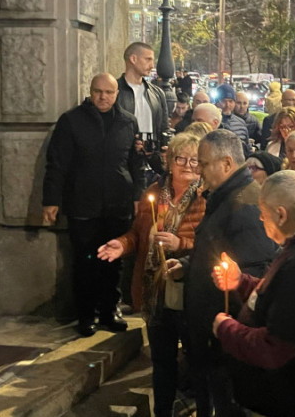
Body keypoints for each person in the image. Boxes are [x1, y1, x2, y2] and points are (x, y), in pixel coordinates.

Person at [211, 171, 295, 417]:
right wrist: (241, 282)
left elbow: (274, 348)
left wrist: (226, 328)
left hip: (291, 402)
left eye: (263, 213)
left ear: (281, 214)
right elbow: (282, 300)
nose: (261, 220)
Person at [169, 130, 278, 417]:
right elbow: (217, 251)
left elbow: (250, 273)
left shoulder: (244, 204)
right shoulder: (225, 197)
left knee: (228, 404)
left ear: (227, 163)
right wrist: (188, 266)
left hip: (224, 339)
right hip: (213, 332)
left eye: (203, 164)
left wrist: (229, 332)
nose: (198, 171)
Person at [96, 133, 206, 417]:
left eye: (194, 160)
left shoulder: (207, 198)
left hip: (187, 292)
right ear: (170, 162)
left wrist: (181, 244)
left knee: (198, 363)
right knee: (162, 362)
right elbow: (139, 234)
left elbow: (213, 245)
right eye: (180, 158)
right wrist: (121, 244)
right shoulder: (154, 193)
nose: (187, 165)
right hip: (155, 294)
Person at [44, 73, 143, 336]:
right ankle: (86, 315)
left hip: (117, 204)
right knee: (85, 262)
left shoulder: (128, 122)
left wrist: (137, 197)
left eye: (109, 92)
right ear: (90, 92)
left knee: (114, 263)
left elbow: (135, 163)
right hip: (83, 205)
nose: (103, 97)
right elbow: (57, 163)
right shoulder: (72, 121)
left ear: (116, 94)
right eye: (98, 92)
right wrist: (51, 200)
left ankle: (110, 311)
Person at [118, 42, 169, 158]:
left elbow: (164, 128)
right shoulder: (114, 91)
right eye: (148, 59)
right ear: (133, 59)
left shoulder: (157, 93)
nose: (152, 65)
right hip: (123, 159)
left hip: (152, 159)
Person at [216, 84, 252, 155]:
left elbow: (247, 148)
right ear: (217, 102)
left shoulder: (240, 123)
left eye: (231, 101)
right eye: (223, 101)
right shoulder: (211, 121)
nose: (227, 105)